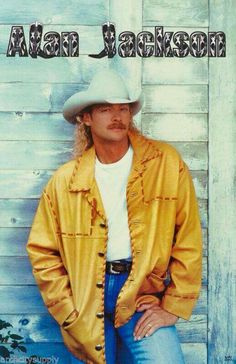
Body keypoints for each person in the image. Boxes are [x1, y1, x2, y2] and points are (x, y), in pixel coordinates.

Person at [26, 69, 202, 364]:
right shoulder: (65, 181)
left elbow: (188, 238)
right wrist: (68, 311)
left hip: (141, 295)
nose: (117, 116)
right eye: (106, 109)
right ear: (86, 118)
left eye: (123, 108)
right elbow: (42, 252)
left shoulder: (166, 164)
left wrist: (172, 306)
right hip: (84, 299)